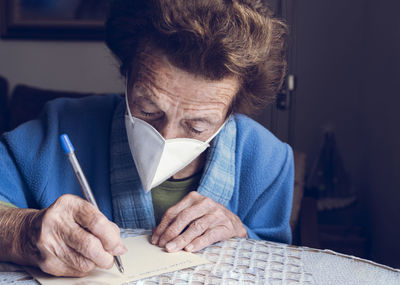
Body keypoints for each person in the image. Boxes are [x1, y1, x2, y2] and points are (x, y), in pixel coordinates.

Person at [0, 0, 293, 277]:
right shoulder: (57, 129)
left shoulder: (268, 160)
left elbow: (280, 262)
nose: (165, 137)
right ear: (126, 73)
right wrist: (20, 231)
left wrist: (240, 235)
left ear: (231, 112)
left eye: (196, 126)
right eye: (148, 109)